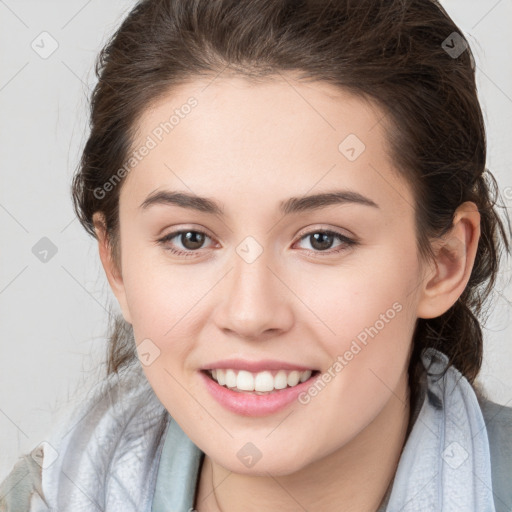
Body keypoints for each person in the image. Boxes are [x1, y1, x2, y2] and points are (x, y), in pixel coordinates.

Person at [1, 0, 512, 510]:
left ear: (443, 264)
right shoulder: (42, 496)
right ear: (115, 263)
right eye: (190, 238)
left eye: (322, 239)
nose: (250, 314)